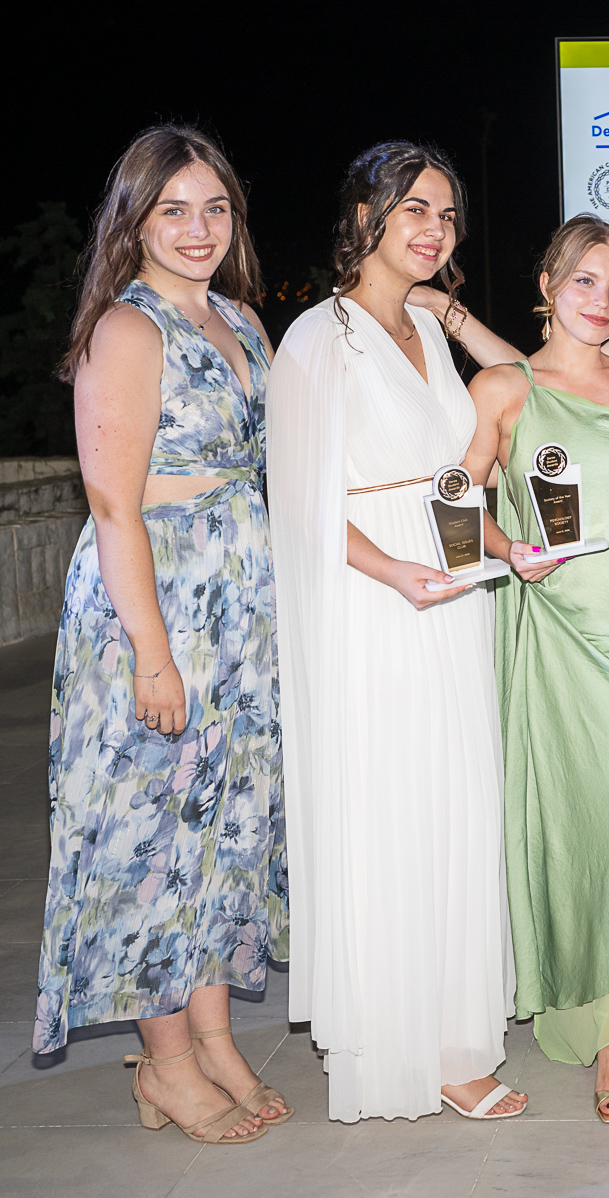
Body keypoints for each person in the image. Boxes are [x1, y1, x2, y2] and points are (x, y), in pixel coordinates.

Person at [34, 125, 286, 1145]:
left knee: (222, 832)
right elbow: (113, 503)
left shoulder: (242, 320)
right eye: (173, 209)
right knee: (149, 836)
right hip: (158, 607)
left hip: (238, 614)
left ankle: (214, 1038)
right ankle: (165, 1063)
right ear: (133, 220)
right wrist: (151, 653)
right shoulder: (126, 330)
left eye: (214, 208)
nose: (197, 228)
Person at [267, 142, 525, 1122]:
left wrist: (504, 548)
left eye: (448, 215)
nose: (435, 229)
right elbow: (299, 506)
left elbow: (505, 397)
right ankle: (402, 1048)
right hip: (372, 602)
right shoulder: (316, 339)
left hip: (451, 593)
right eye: (414, 208)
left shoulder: (424, 328)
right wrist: (392, 571)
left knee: (459, 809)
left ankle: (457, 1039)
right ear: (362, 214)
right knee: (393, 813)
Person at [460, 216, 609, 1121]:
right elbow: (457, 500)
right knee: (573, 824)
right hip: (557, 632)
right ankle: (590, 1004)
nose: (602, 301)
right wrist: (507, 549)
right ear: (548, 285)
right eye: (585, 281)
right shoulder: (502, 389)